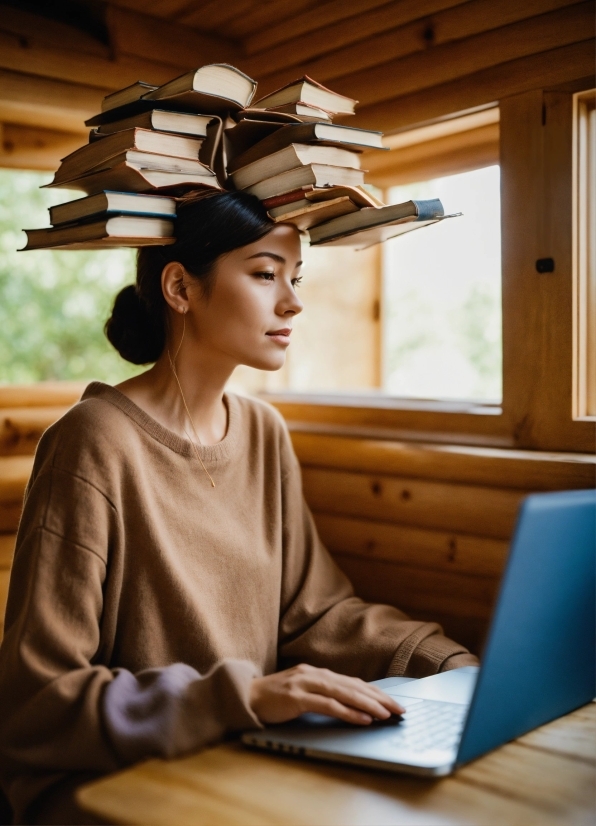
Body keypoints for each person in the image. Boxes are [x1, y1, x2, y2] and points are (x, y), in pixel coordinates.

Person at [0, 190, 477, 825]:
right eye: (263, 274)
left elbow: (316, 614)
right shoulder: (92, 444)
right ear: (180, 288)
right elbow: (38, 701)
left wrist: (447, 667)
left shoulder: (262, 431)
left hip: (235, 754)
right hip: (107, 784)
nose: (293, 301)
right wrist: (241, 698)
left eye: (295, 277)